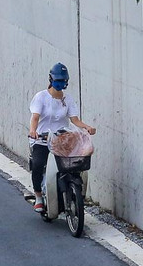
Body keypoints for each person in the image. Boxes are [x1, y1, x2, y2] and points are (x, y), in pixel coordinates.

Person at [28, 62, 96, 213]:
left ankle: (74, 193)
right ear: (51, 79)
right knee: (38, 164)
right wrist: (33, 130)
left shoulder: (68, 99)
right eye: (57, 80)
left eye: (63, 81)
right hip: (42, 139)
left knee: (75, 165)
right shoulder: (41, 97)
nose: (60, 84)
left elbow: (75, 120)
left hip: (61, 140)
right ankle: (38, 196)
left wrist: (87, 127)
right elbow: (35, 117)